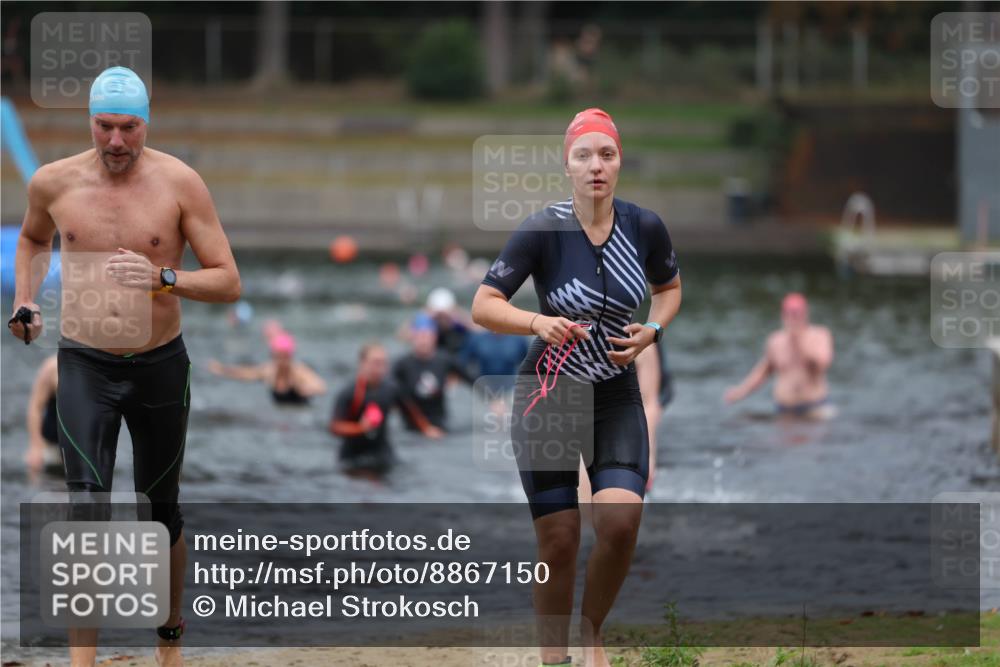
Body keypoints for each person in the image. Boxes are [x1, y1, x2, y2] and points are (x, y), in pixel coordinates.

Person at [8, 66, 241, 667]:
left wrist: (166, 277)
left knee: (160, 510)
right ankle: (81, 662)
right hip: (84, 361)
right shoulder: (53, 182)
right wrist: (25, 301)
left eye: (129, 128)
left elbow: (229, 282)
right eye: (105, 127)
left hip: (161, 365)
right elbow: (33, 242)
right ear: (90, 121)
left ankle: (169, 647)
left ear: (146, 123)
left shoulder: (181, 184)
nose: (116, 141)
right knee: (86, 507)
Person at [471, 108, 682, 667]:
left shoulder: (645, 227)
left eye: (607, 155)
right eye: (584, 155)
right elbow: (483, 306)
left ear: (619, 164)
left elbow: (669, 288)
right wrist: (536, 322)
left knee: (619, 521)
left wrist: (655, 330)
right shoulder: (543, 230)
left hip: (615, 390)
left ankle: (591, 633)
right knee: (560, 539)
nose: (596, 166)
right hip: (549, 392)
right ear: (567, 165)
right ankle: (554, 661)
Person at [329, 342, 441, 480]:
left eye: (383, 363)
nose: (380, 368)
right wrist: (361, 428)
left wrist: (426, 428)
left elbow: (410, 410)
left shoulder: (391, 388)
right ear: (362, 363)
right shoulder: (349, 392)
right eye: (376, 363)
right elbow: (335, 427)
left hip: (382, 451)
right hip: (353, 455)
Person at [724, 292, 834, 420]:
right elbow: (763, 371)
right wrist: (740, 392)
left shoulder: (819, 335)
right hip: (784, 410)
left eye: (797, 314)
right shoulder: (776, 340)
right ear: (783, 315)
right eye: (790, 314)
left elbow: (822, 365)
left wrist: (798, 342)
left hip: (815, 409)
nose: (794, 319)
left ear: (805, 314)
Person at [393, 313, 475, 433]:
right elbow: (387, 389)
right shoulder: (402, 364)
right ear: (413, 337)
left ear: (434, 337)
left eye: (426, 336)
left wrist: (494, 399)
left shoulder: (445, 360)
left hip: (439, 422)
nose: (423, 340)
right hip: (410, 426)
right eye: (419, 336)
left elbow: (471, 379)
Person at [208, 331, 327, 405]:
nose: (281, 362)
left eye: (284, 357)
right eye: (277, 357)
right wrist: (222, 369)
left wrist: (307, 389)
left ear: (290, 356)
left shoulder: (299, 371)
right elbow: (245, 374)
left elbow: (322, 387)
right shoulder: (270, 370)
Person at [25, 354, 63, 479]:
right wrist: (35, 447)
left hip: (85, 450)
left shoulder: (99, 367)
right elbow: (35, 407)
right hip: (52, 447)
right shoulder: (52, 367)